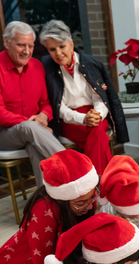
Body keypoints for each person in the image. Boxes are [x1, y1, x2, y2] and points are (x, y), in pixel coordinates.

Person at [0, 21, 66, 188]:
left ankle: (48, 201)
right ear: (7, 42)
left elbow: (46, 103)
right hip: (0, 133)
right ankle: (76, 169)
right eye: (21, 45)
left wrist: (43, 116)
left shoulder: (37, 66)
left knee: (36, 146)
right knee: (31, 130)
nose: (27, 51)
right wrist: (34, 126)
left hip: (31, 131)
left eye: (31, 46)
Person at [39, 19, 129, 175]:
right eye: (52, 49)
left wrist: (97, 114)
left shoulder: (91, 63)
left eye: (62, 47)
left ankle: (91, 181)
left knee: (97, 129)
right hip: (69, 121)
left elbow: (101, 97)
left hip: (95, 115)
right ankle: (107, 181)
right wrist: (82, 118)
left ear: (71, 44)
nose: (58, 54)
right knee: (99, 136)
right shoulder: (46, 68)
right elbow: (57, 106)